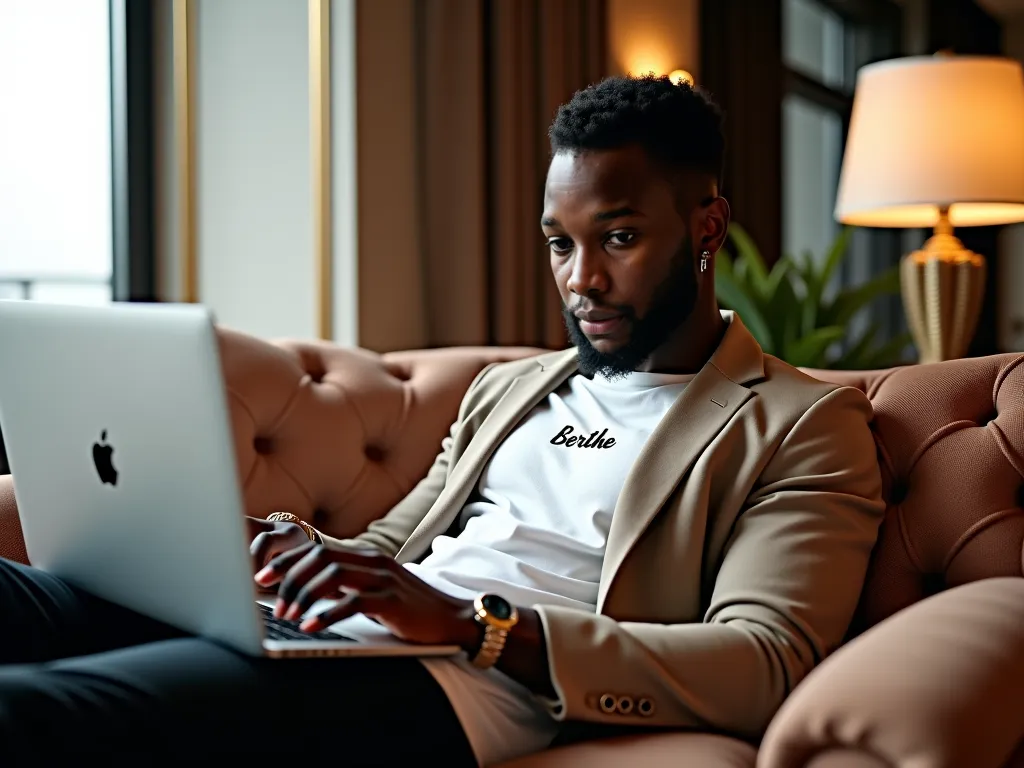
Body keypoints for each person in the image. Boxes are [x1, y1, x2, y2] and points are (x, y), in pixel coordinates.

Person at [0, 75, 885, 766]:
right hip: (333, 641)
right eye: (559, 243)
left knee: (35, 715)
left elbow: (766, 658)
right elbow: (389, 550)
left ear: (707, 226)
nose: (580, 279)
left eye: (617, 238)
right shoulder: (512, 388)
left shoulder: (800, 422)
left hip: (471, 685)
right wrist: (264, 547)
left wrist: (478, 627)